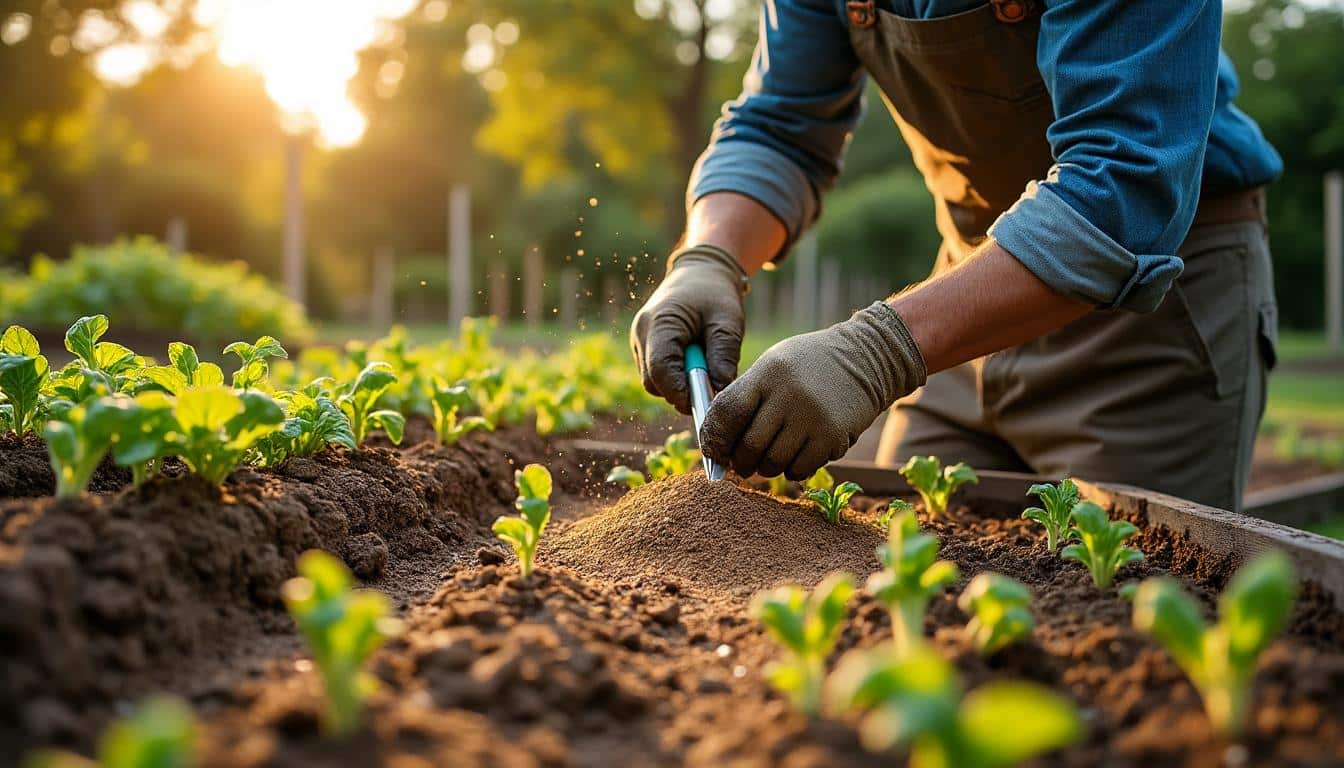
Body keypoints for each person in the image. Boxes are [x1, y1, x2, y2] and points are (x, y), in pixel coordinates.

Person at [629, 0, 1281, 513]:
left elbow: (1125, 188)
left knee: (1120, 615)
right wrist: (709, 257)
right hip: (966, 300)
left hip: (1152, 319)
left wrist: (875, 353)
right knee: (896, 588)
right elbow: (778, 127)